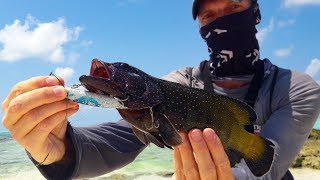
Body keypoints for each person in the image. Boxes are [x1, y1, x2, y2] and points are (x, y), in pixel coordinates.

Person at [2, 0, 320, 179]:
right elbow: (124, 136)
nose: (222, 20)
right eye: (209, 14)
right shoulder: (181, 82)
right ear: (200, 26)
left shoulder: (297, 87)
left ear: (256, 13)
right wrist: (59, 147)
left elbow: (272, 166)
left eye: (234, 6)